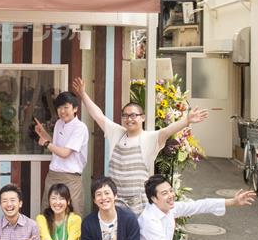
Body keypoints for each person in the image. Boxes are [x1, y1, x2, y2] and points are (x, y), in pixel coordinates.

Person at [72, 77, 209, 214]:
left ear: (142, 118)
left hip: (138, 204)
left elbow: (167, 131)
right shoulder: (116, 132)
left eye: (133, 115)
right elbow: (98, 116)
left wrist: (187, 120)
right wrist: (83, 93)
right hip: (115, 201)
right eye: (125, 116)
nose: (129, 119)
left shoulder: (149, 138)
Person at [33, 90, 90, 216]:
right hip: (53, 175)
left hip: (71, 178)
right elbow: (56, 146)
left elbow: (65, 153)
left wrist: (46, 144)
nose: (62, 111)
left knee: (73, 215)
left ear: (75, 108)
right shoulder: (59, 123)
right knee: (48, 213)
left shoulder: (80, 127)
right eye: (59, 107)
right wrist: (43, 133)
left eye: (66, 107)